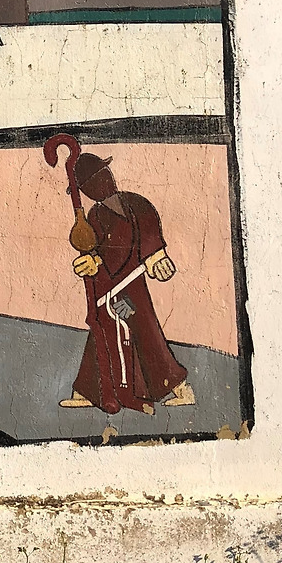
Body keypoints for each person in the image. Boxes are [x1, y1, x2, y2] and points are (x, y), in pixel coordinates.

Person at [59, 152, 196, 415]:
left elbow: (149, 233)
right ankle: (88, 392)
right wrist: (92, 262)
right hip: (109, 287)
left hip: (132, 287)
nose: (101, 183)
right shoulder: (96, 216)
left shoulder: (136, 204)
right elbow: (97, 249)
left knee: (146, 333)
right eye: (90, 183)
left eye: (102, 175)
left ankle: (181, 389)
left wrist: (156, 257)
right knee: (101, 331)